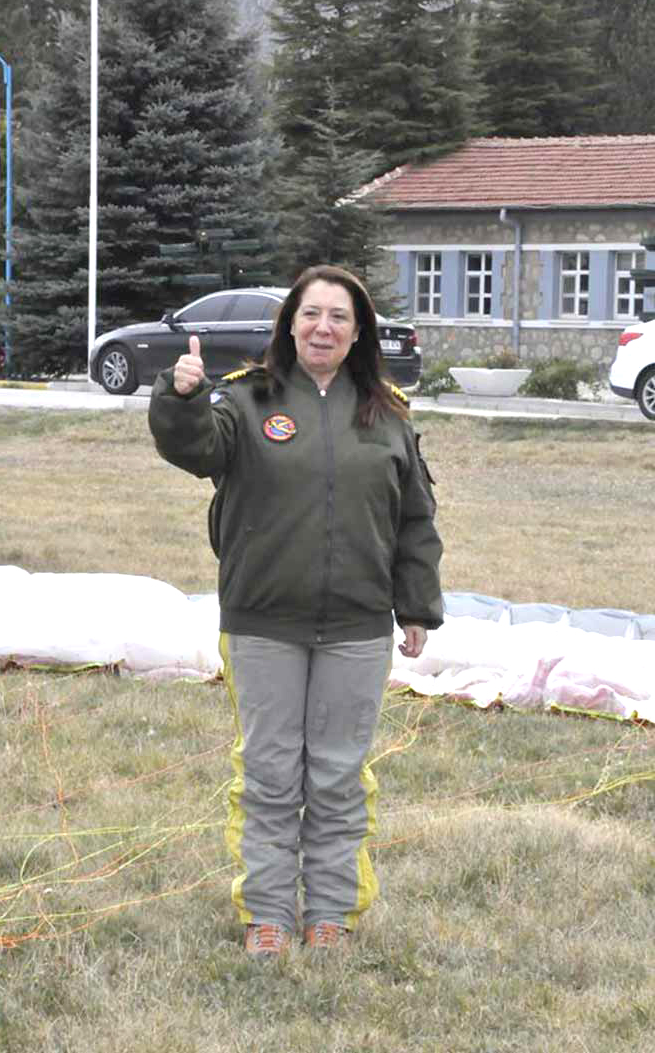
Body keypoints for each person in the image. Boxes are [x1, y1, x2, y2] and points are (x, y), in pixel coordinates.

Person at [148, 264, 443, 957]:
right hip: (261, 623)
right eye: (311, 314)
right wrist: (180, 397)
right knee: (272, 773)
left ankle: (331, 913)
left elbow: (414, 520)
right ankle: (270, 915)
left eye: (339, 317)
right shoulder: (247, 401)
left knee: (339, 774)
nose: (323, 327)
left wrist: (417, 606)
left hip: (357, 628)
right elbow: (195, 448)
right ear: (290, 325)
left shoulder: (388, 412)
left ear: (358, 331)